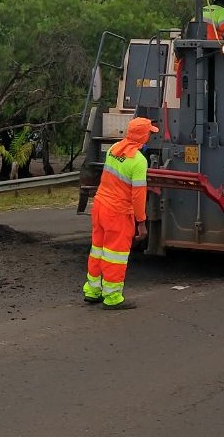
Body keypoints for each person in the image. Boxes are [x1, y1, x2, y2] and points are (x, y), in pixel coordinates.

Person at [82, 117, 159, 310]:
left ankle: (93, 291)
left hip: (100, 206)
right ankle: (113, 297)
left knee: (98, 250)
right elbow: (138, 196)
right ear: (143, 136)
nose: (150, 135)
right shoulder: (138, 161)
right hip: (118, 212)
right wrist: (141, 222)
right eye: (149, 132)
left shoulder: (113, 149)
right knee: (115, 255)